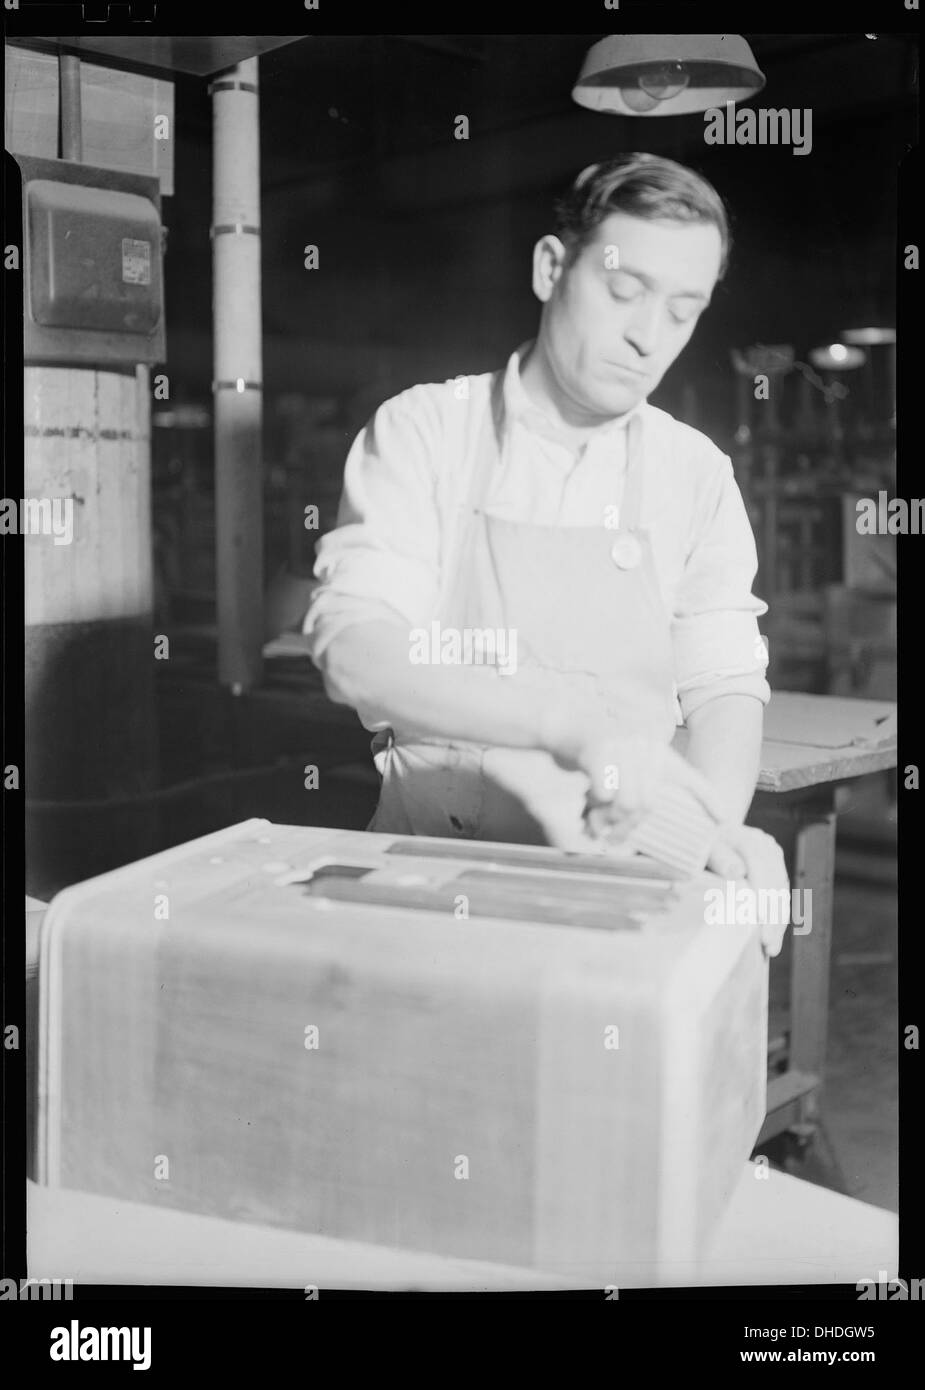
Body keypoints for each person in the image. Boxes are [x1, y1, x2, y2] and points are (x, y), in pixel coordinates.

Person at [303, 153, 787, 925]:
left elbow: (723, 682)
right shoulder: (428, 432)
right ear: (550, 267)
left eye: (681, 310)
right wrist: (570, 729)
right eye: (624, 290)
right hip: (427, 874)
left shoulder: (692, 472)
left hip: (622, 885)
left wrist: (713, 835)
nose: (646, 337)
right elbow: (354, 646)